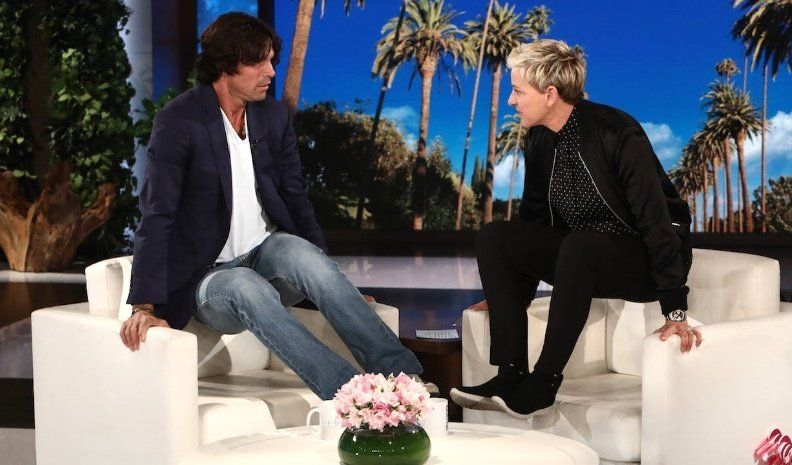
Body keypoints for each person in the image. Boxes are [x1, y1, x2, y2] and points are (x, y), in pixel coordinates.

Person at [120, 12, 427, 400]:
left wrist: (333, 287)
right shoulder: (179, 121)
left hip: (264, 254)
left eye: (271, 61)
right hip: (208, 279)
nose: (269, 72)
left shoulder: (273, 116)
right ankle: (351, 397)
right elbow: (157, 214)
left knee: (302, 255)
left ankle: (403, 381)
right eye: (258, 62)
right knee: (244, 284)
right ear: (225, 65)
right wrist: (143, 306)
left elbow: (296, 197)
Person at [450, 39, 700, 419]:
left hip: (642, 263)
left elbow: (656, 221)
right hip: (581, 257)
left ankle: (543, 384)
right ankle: (510, 374)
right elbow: (535, 219)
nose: (512, 101)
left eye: (518, 91)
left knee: (582, 245)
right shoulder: (538, 138)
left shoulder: (617, 132)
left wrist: (675, 309)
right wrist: (510, 294)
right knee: (496, 236)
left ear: (550, 94)